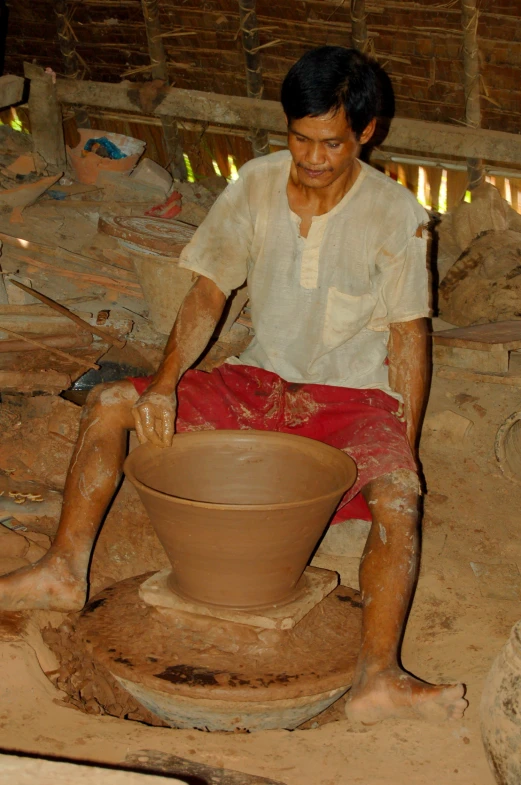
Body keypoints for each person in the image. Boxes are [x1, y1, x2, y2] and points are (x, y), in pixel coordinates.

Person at [0, 46, 467, 724]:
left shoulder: (394, 215)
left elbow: (407, 340)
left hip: (350, 399)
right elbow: (209, 291)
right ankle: (62, 570)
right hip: (258, 381)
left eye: (329, 143)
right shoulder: (254, 182)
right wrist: (163, 384)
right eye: (299, 138)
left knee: (398, 499)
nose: (310, 157)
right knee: (110, 403)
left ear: (366, 133)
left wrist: (406, 442)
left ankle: (378, 676)